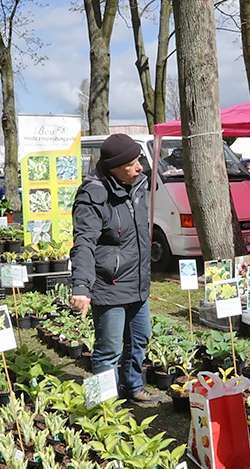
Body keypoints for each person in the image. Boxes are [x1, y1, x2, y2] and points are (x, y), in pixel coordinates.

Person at [70, 134, 163, 406]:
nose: (140, 167)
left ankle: (133, 386)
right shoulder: (93, 194)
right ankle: (103, 407)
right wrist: (81, 286)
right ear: (114, 166)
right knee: (108, 349)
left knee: (140, 338)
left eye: (139, 161)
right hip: (109, 285)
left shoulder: (136, 185)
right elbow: (84, 243)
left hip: (137, 283)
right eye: (132, 163)